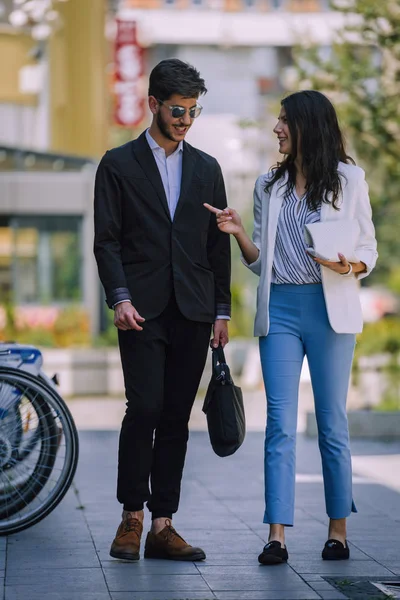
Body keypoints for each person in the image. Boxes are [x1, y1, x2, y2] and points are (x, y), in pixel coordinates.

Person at [205, 90, 377, 565]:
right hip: (279, 309)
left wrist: (351, 265)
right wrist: (240, 233)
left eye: (284, 121)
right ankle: (276, 535)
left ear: (307, 127)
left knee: (331, 423)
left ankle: (337, 531)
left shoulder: (349, 180)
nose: (277, 128)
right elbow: (263, 261)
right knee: (279, 423)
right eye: (277, 121)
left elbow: (369, 246)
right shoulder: (268, 186)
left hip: (329, 311)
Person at [94, 58, 231, 562]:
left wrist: (222, 310)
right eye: (178, 110)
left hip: (194, 309)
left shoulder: (207, 168)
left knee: (177, 415)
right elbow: (106, 242)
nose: (186, 121)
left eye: (194, 111)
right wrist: (119, 297)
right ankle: (131, 517)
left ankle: (163, 524)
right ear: (153, 104)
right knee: (144, 407)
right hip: (141, 309)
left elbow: (218, 248)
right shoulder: (117, 164)